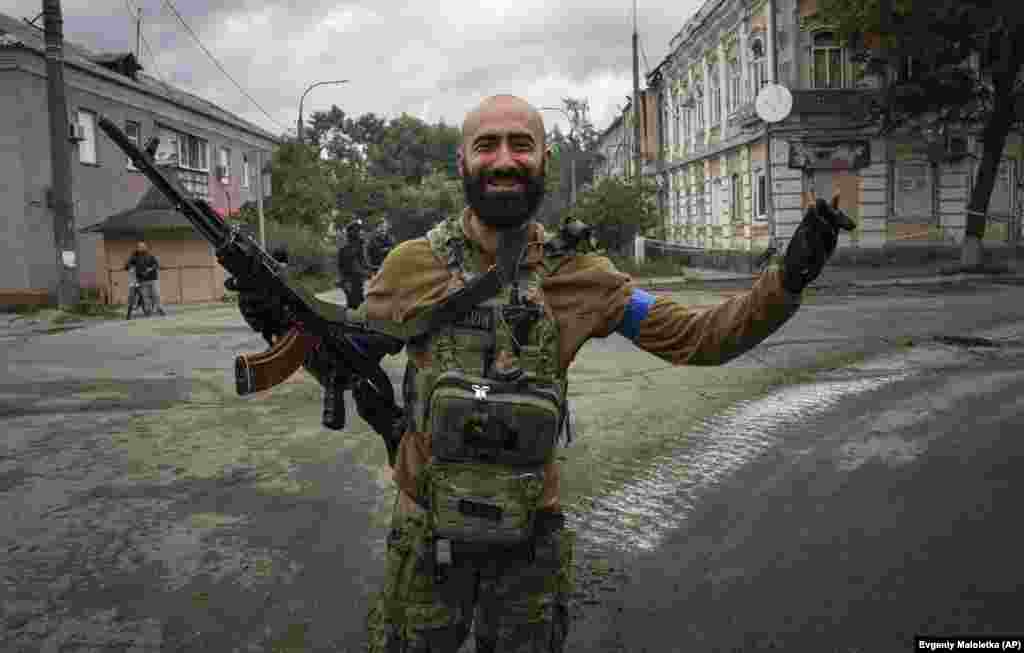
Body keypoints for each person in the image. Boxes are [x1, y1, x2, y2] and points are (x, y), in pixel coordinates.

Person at [234, 94, 844, 652]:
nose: (505, 160)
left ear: (544, 159)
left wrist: (787, 279)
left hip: (530, 540)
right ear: (463, 161)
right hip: (426, 535)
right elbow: (345, 366)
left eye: (521, 145)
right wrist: (277, 324)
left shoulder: (584, 276)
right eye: (487, 145)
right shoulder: (409, 266)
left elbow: (701, 339)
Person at [124, 240, 165, 316]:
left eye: (143, 246)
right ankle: (148, 311)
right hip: (142, 280)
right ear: (137, 248)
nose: (141, 248)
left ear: (146, 247)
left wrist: (150, 269)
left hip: (153, 279)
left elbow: (156, 264)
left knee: (156, 294)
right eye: (139, 246)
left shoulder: (150, 256)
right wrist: (128, 265)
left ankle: (160, 308)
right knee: (145, 297)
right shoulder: (134, 257)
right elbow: (127, 265)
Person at [338, 220, 368, 308]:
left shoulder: (359, 245)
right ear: (352, 232)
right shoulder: (346, 247)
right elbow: (341, 265)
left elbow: (363, 261)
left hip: (356, 279)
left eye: (359, 230)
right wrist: (344, 280)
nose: (360, 232)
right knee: (353, 303)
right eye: (358, 230)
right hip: (350, 279)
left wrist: (369, 270)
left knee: (358, 302)